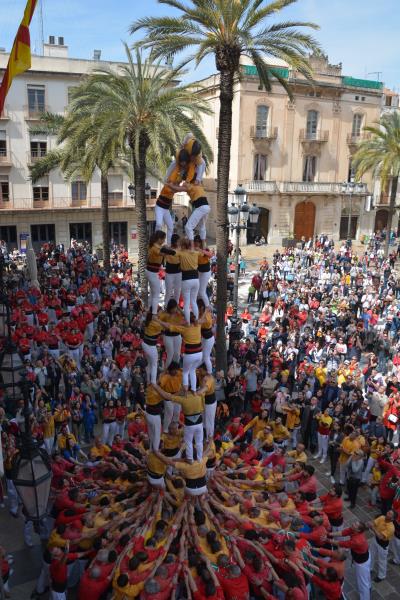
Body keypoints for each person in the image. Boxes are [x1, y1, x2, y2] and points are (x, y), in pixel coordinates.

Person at [146, 231, 175, 315]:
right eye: (163, 239)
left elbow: (162, 250)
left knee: (152, 293)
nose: (164, 241)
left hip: (150, 271)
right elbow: (162, 252)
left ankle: (150, 309)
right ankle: (154, 314)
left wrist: (166, 247)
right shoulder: (155, 247)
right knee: (156, 294)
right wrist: (171, 251)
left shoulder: (155, 245)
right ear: (159, 239)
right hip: (152, 272)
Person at [368, 511, 395, 582]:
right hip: (375, 540)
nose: (387, 513)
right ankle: (370, 568)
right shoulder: (382, 517)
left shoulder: (391, 528)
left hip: (383, 545)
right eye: (388, 512)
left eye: (390, 514)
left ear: (392, 519)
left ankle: (381, 576)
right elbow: (373, 523)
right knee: (371, 554)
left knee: (382, 560)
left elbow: (380, 536)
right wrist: (371, 525)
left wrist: (373, 528)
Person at [198, 298, 214, 374]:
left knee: (206, 357)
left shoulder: (206, 316)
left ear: (201, 308)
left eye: (198, 308)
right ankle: (195, 367)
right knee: (202, 356)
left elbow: (199, 321)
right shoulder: (204, 313)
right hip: (205, 338)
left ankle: (210, 373)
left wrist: (205, 311)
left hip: (209, 339)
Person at [164, 234, 182, 304]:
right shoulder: (167, 248)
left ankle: (176, 308)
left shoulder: (180, 249)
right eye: (178, 241)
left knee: (177, 292)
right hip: (169, 273)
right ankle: (166, 307)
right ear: (174, 241)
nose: (179, 242)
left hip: (178, 273)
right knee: (168, 292)